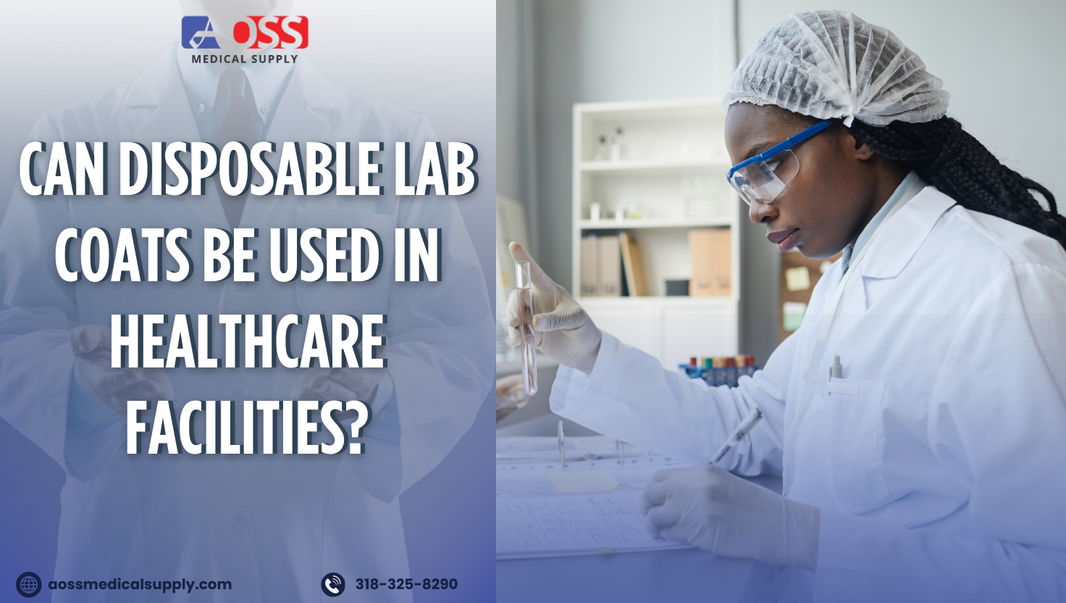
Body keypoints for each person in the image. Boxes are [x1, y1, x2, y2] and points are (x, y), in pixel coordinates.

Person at [509, 10, 1066, 602]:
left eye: (771, 165)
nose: (756, 207)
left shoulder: (1001, 282)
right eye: (743, 181)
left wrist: (806, 538)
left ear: (859, 134)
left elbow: (1049, 572)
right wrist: (588, 353)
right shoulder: (842, 284)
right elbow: (747, 429)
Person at [0, 1, 491, 600]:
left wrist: (383, 396)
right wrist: (81, 388)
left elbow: (454, 338)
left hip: (328, 564)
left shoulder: (399, 143)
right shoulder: (67, 140)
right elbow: (16, 329)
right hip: (131, 560)